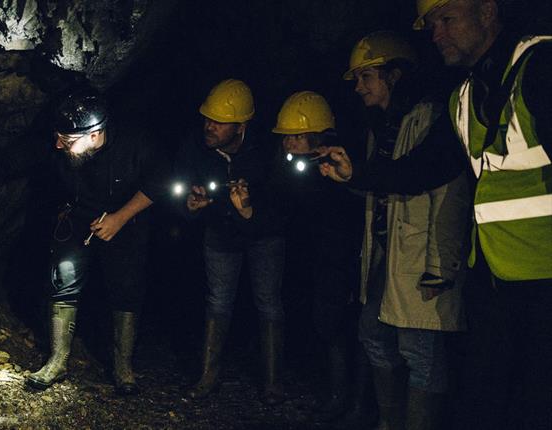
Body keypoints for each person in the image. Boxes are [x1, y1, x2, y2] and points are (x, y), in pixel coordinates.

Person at [320, 2, 552, 428]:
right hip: (495, 275)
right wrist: (359, 174)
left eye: (447, 19)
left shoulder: (539, 68)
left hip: (543, 280)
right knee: (491, 401)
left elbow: (448, 198)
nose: (436, 33)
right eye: (431, 24)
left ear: (487, 12)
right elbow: (425, 169)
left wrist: (438, 264)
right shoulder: (463, 96)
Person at [0, 88, 165, 396]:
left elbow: (160, 182)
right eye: (57, 136)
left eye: (67, 141)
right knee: (63, 282)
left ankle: (123, 367)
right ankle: (57, 360)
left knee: (126, 287)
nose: (58, 144)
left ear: (95, 135)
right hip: (77, 219)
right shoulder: (54, 145)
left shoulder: (135, 143)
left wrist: (120, 217)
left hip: (126, 220)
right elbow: (0, 164)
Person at [331, 31, 472, 430]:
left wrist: (441, 265)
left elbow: (450, 190)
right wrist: (348, 176)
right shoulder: (384, 125)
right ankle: (388, 423)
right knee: (373, 333)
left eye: (367, 77)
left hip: (418, 255)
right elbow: (385, 181)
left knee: (420, 352)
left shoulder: (428, 118)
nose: (359, 87)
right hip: (387, 255)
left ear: (394, 76)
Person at [173, 79, 286, 405]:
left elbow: (284, 202)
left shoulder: (266, 148)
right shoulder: (195, 146)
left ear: (241, 126)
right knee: (218, 301)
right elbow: (179, 191)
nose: (209, 126)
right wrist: (189, 207)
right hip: (221, 232)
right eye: (207, 118)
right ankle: (208, 376)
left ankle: (273, 382)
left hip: (264, 235)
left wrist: (250, 210)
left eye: (219, 122)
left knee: (268, 302)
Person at [268, 92, 374, 428]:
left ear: (317, 135)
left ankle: (355, 403)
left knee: (353, 328)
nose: (288, 143)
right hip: (315, 256)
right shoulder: (293, 169)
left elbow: (351, 212)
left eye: (296, 136)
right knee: (328, 326)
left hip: (344, 256)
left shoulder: (340, 164)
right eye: (286, 136)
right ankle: (337, 395)